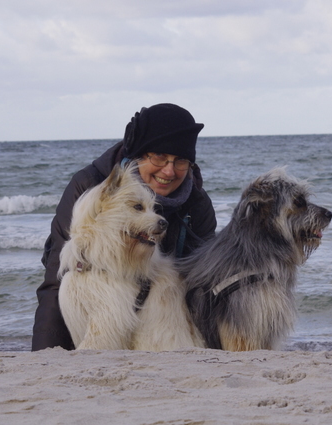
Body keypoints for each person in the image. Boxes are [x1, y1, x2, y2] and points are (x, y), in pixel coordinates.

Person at [32, 103, 217, 351]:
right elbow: (55, 280)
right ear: (139, 154)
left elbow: (204, 285)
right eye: (159, 157)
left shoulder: (197, 203)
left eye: (181, 161)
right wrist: (46, 355)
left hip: (163, 317)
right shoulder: (89, 187)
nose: (169, 171)